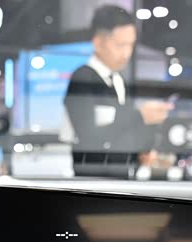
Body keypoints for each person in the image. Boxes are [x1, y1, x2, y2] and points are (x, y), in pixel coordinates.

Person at [63, 5, 173, 175]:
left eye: (130, 45)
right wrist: (140, 116)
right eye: (120, 45)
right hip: (92, 179)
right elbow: (88, 134)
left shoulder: (119, 80)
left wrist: (142, 151)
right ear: (98, 43)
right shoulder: (83, 78)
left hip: (121, 176)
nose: (126, 53)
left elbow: (122, 132)